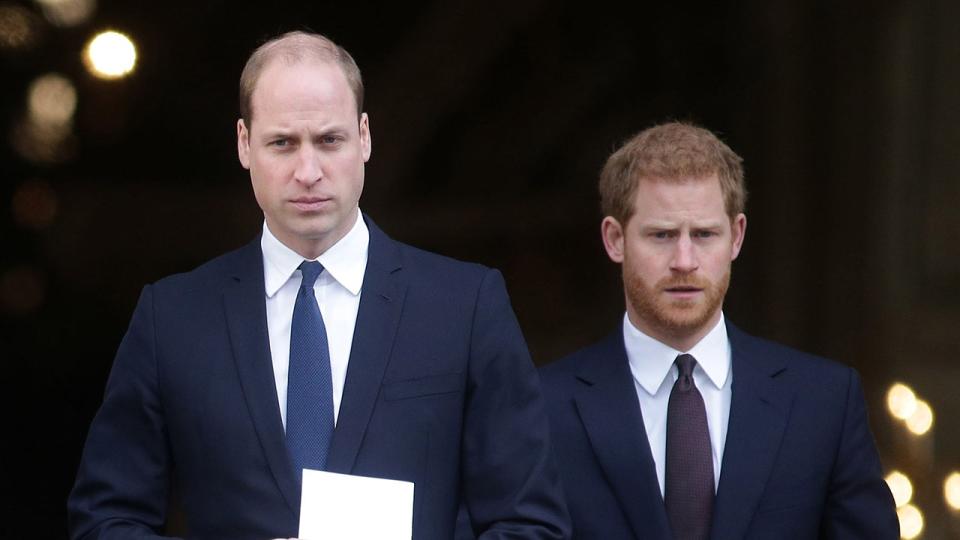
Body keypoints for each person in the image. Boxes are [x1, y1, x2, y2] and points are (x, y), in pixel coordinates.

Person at [68, 31, 569, 540]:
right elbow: (106, 519)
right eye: (282, 143)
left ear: (365, 136)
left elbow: (529, 522)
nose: (308, 171)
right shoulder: (172, 316)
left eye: (329, 140)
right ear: (244, 143)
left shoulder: (464, 305)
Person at [539, 122, 898, 539]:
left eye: (704, 234)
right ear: (615, 239)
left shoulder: (823, 403)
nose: (684, 260)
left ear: (736, 236)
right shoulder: (541, 407)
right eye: (662, 235)